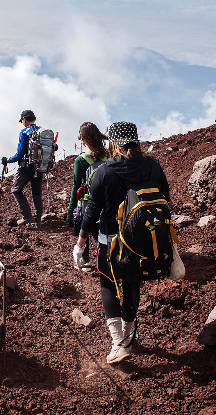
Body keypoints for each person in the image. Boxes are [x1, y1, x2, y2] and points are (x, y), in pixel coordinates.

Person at [75, 121, 170, 364]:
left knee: (108, 282)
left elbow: (92, 210)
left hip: (111, 240)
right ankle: (129, 336)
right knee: (132, 282)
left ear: (113, 142)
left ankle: (118, 342)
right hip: (142, 240)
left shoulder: (105, 171)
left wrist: (81, 242)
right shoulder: (153, 166)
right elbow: (166, 200)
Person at [65, 122, 108, 271]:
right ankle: (109, 257)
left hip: (88, 201)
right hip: (107, 200)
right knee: (102, 231)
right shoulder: (107, 156)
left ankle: (85, 261)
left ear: (83, 138)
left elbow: (76, 185)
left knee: (84, 227)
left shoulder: (81, 160)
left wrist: (70, 210)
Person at [2, 109, 44, 226]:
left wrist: (8, 160)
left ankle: (27, 216)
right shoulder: (42, 131)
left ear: (24, 119)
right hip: (39, 167)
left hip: (26, 167)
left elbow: (20, 154)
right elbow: (54, 147)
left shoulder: (24, 133)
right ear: (34, 119)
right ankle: (38, 218)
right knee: (36, 192)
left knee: (16, 190)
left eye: (22, 120)